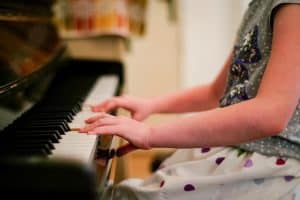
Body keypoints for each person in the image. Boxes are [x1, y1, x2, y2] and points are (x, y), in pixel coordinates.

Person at [80, 0, 300, 199]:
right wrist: (152, 105)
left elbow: (270, 114)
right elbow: (216, 93)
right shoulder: (258, 5)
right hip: (235, 150)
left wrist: (150, 134)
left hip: (272, 166)